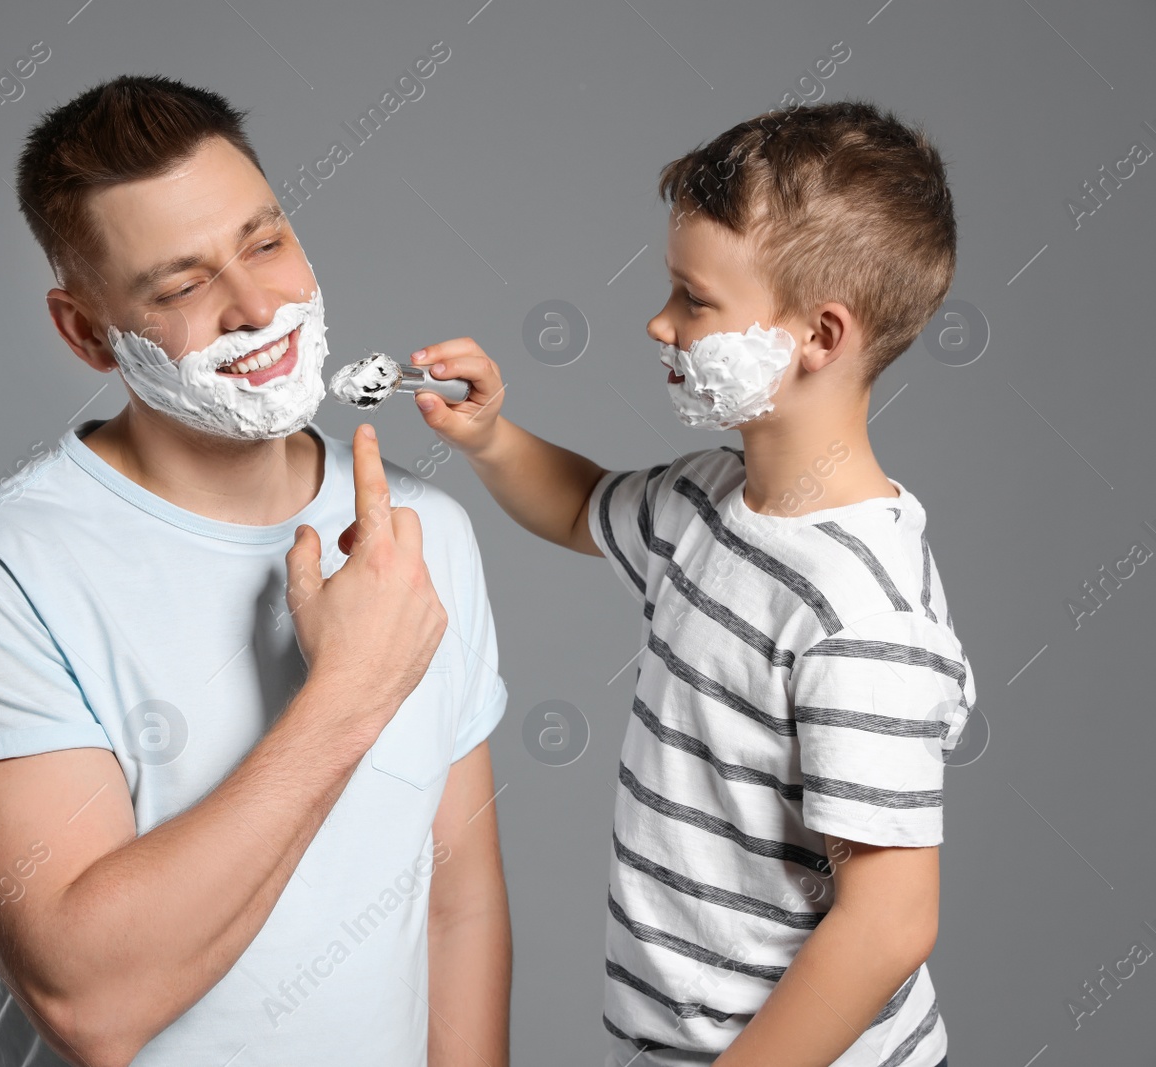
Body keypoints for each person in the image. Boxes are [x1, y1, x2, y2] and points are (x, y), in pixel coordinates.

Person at [0, 75, 511, 1067]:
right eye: (182, 287)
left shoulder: (419, 531)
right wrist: (351, 693)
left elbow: (459, 899)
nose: (255, 305)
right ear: (87, 330)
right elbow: (90, 999)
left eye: (265, 242)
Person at [408, 101, 972, 1067]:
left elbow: (889, 924)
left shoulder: (863, 613)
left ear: (819, 335)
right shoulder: (707, 502)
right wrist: (492, 437)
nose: (658, 322)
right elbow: (581, 505)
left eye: (693, 300)